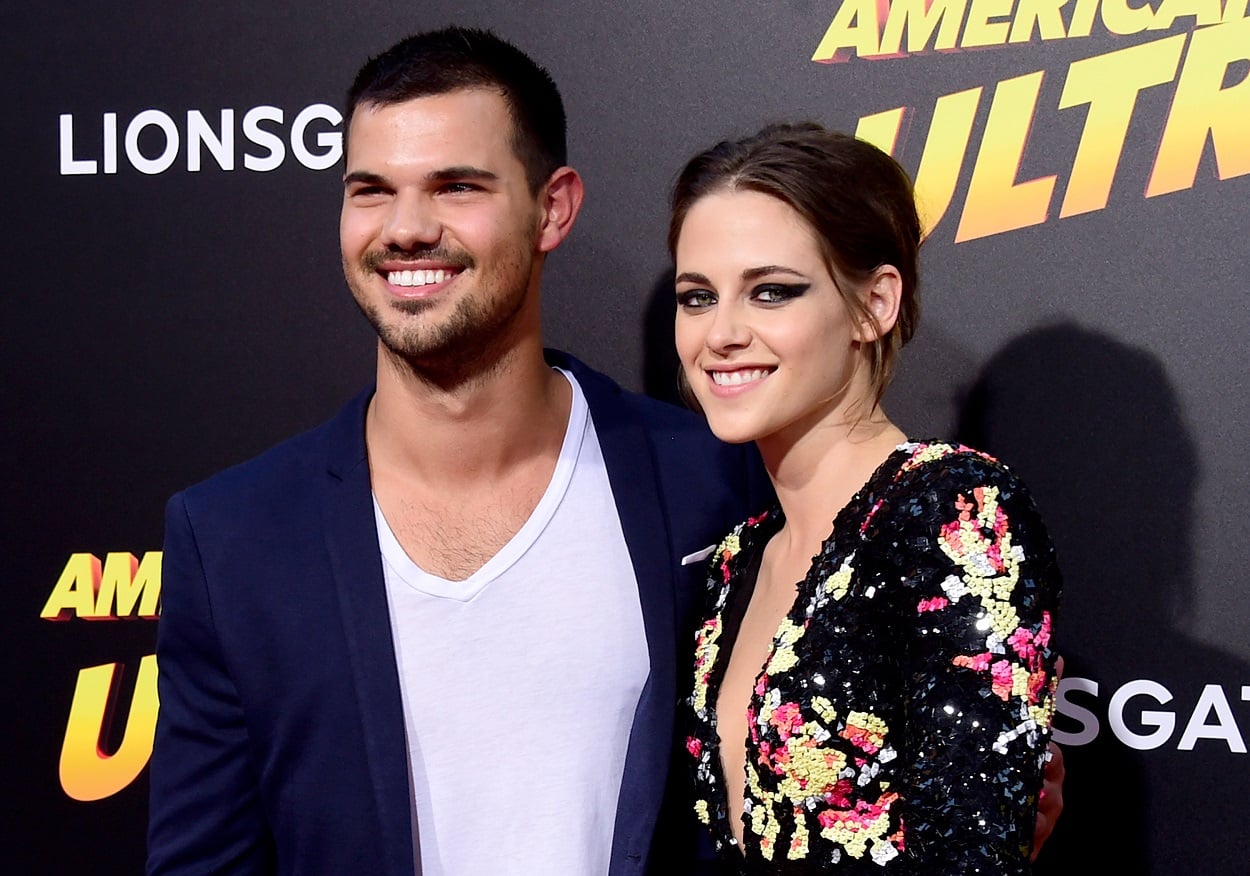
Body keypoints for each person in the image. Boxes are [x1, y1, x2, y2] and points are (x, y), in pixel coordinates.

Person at [147, 28, 1062, 876]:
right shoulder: (231, 536)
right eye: (371, 190)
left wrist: (977, 792)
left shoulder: (714, 483)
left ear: (553, 208)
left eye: (457, 186)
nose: (407, 228)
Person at [671, 123, 1062, 872]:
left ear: (873, 305)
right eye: (697, 297)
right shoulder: (738, 558)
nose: (720, 333)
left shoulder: (954, 512)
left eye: (771, 292)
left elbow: (973, 854)